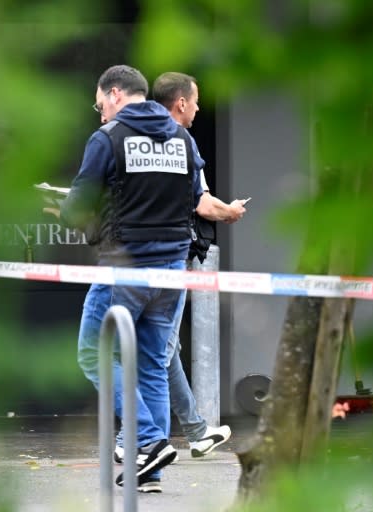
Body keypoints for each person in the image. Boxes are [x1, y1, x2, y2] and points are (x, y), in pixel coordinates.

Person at [60, 65, 222, 493]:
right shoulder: (182, 138)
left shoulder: (108, 139)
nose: (100, 115)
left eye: (100, 106)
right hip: (171, 271)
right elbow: (195, 201)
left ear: (115, 94)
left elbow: (77, 208)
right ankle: (150, 471)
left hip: (125, 269)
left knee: (93, 354)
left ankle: (148, 439)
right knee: (151, 364)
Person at [152, 71, 249, 460]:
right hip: (170, 256)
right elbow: (201, 202)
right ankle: (141, 439)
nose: (198, 108)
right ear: (180, 103)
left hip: (137, 256)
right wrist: (232, 211)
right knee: (158, 348)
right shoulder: (181, 141)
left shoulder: (133, 139)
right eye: (194, 101)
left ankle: (193, 431)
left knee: (163, 345)